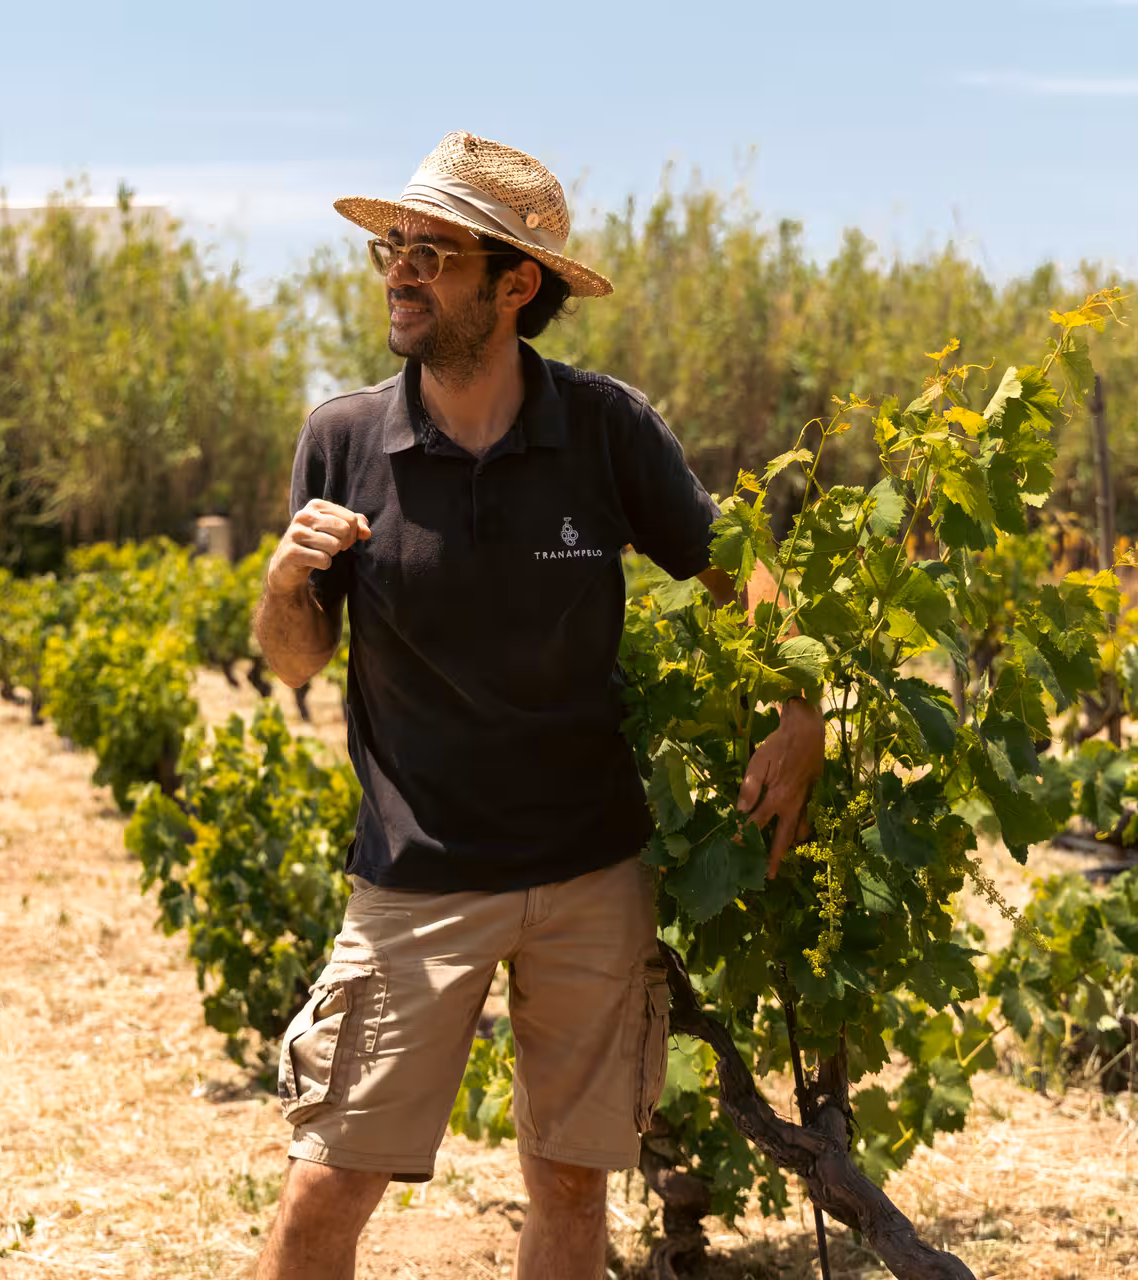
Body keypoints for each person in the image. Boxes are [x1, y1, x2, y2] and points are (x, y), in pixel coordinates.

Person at [249, 132, 824, 1280]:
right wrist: (281, 583)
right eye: (392, 246)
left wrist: (799, 704)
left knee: (569, 1184)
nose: (400, 270)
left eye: (432, 252)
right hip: (416, 877)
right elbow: (296, 663)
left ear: (516, 284)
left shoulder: (603, 428)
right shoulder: (344, 438)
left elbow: (737, 566)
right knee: (327, 1184)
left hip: (588, 875)